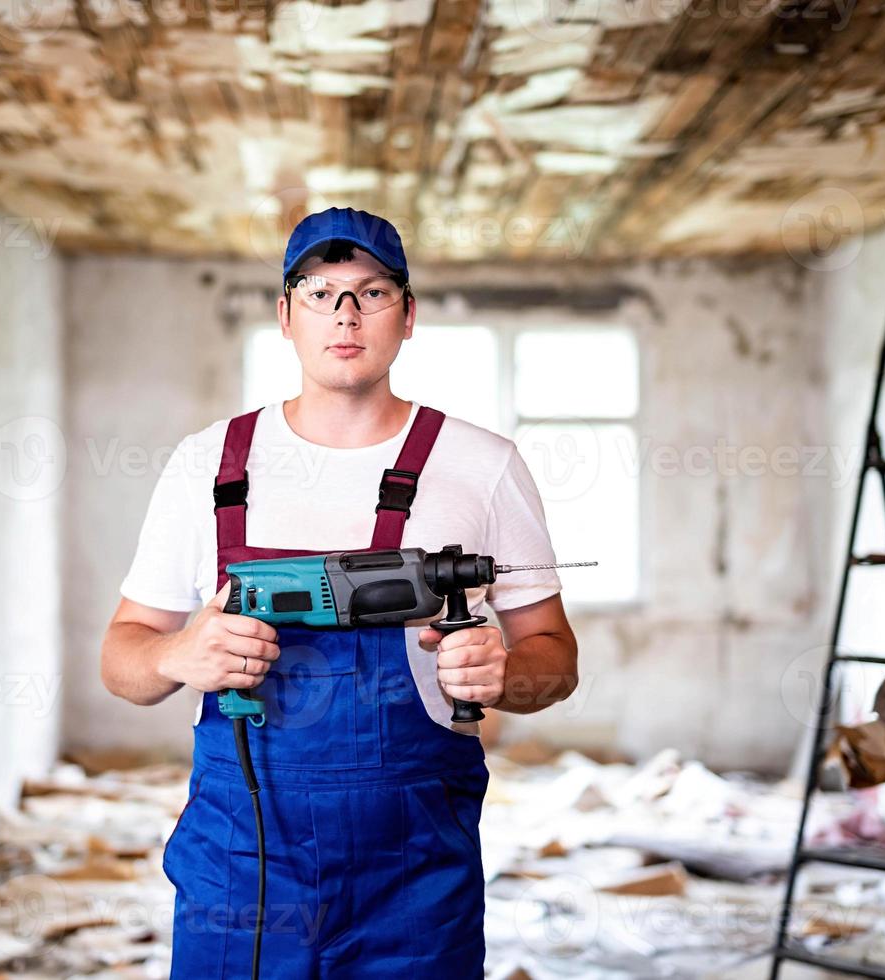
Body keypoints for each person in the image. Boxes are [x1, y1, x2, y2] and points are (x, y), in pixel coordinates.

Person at [101, 206, 580, 977]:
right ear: (285, 316)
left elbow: (555, 660)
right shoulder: (208, 464)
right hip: (243, 870)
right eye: (320, 293)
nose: (346, 314)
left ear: (408, 315)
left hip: (415, 878)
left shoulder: (481, 465)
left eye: (372, 292)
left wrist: (507, 676)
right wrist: (180, 654)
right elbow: (121, 664)